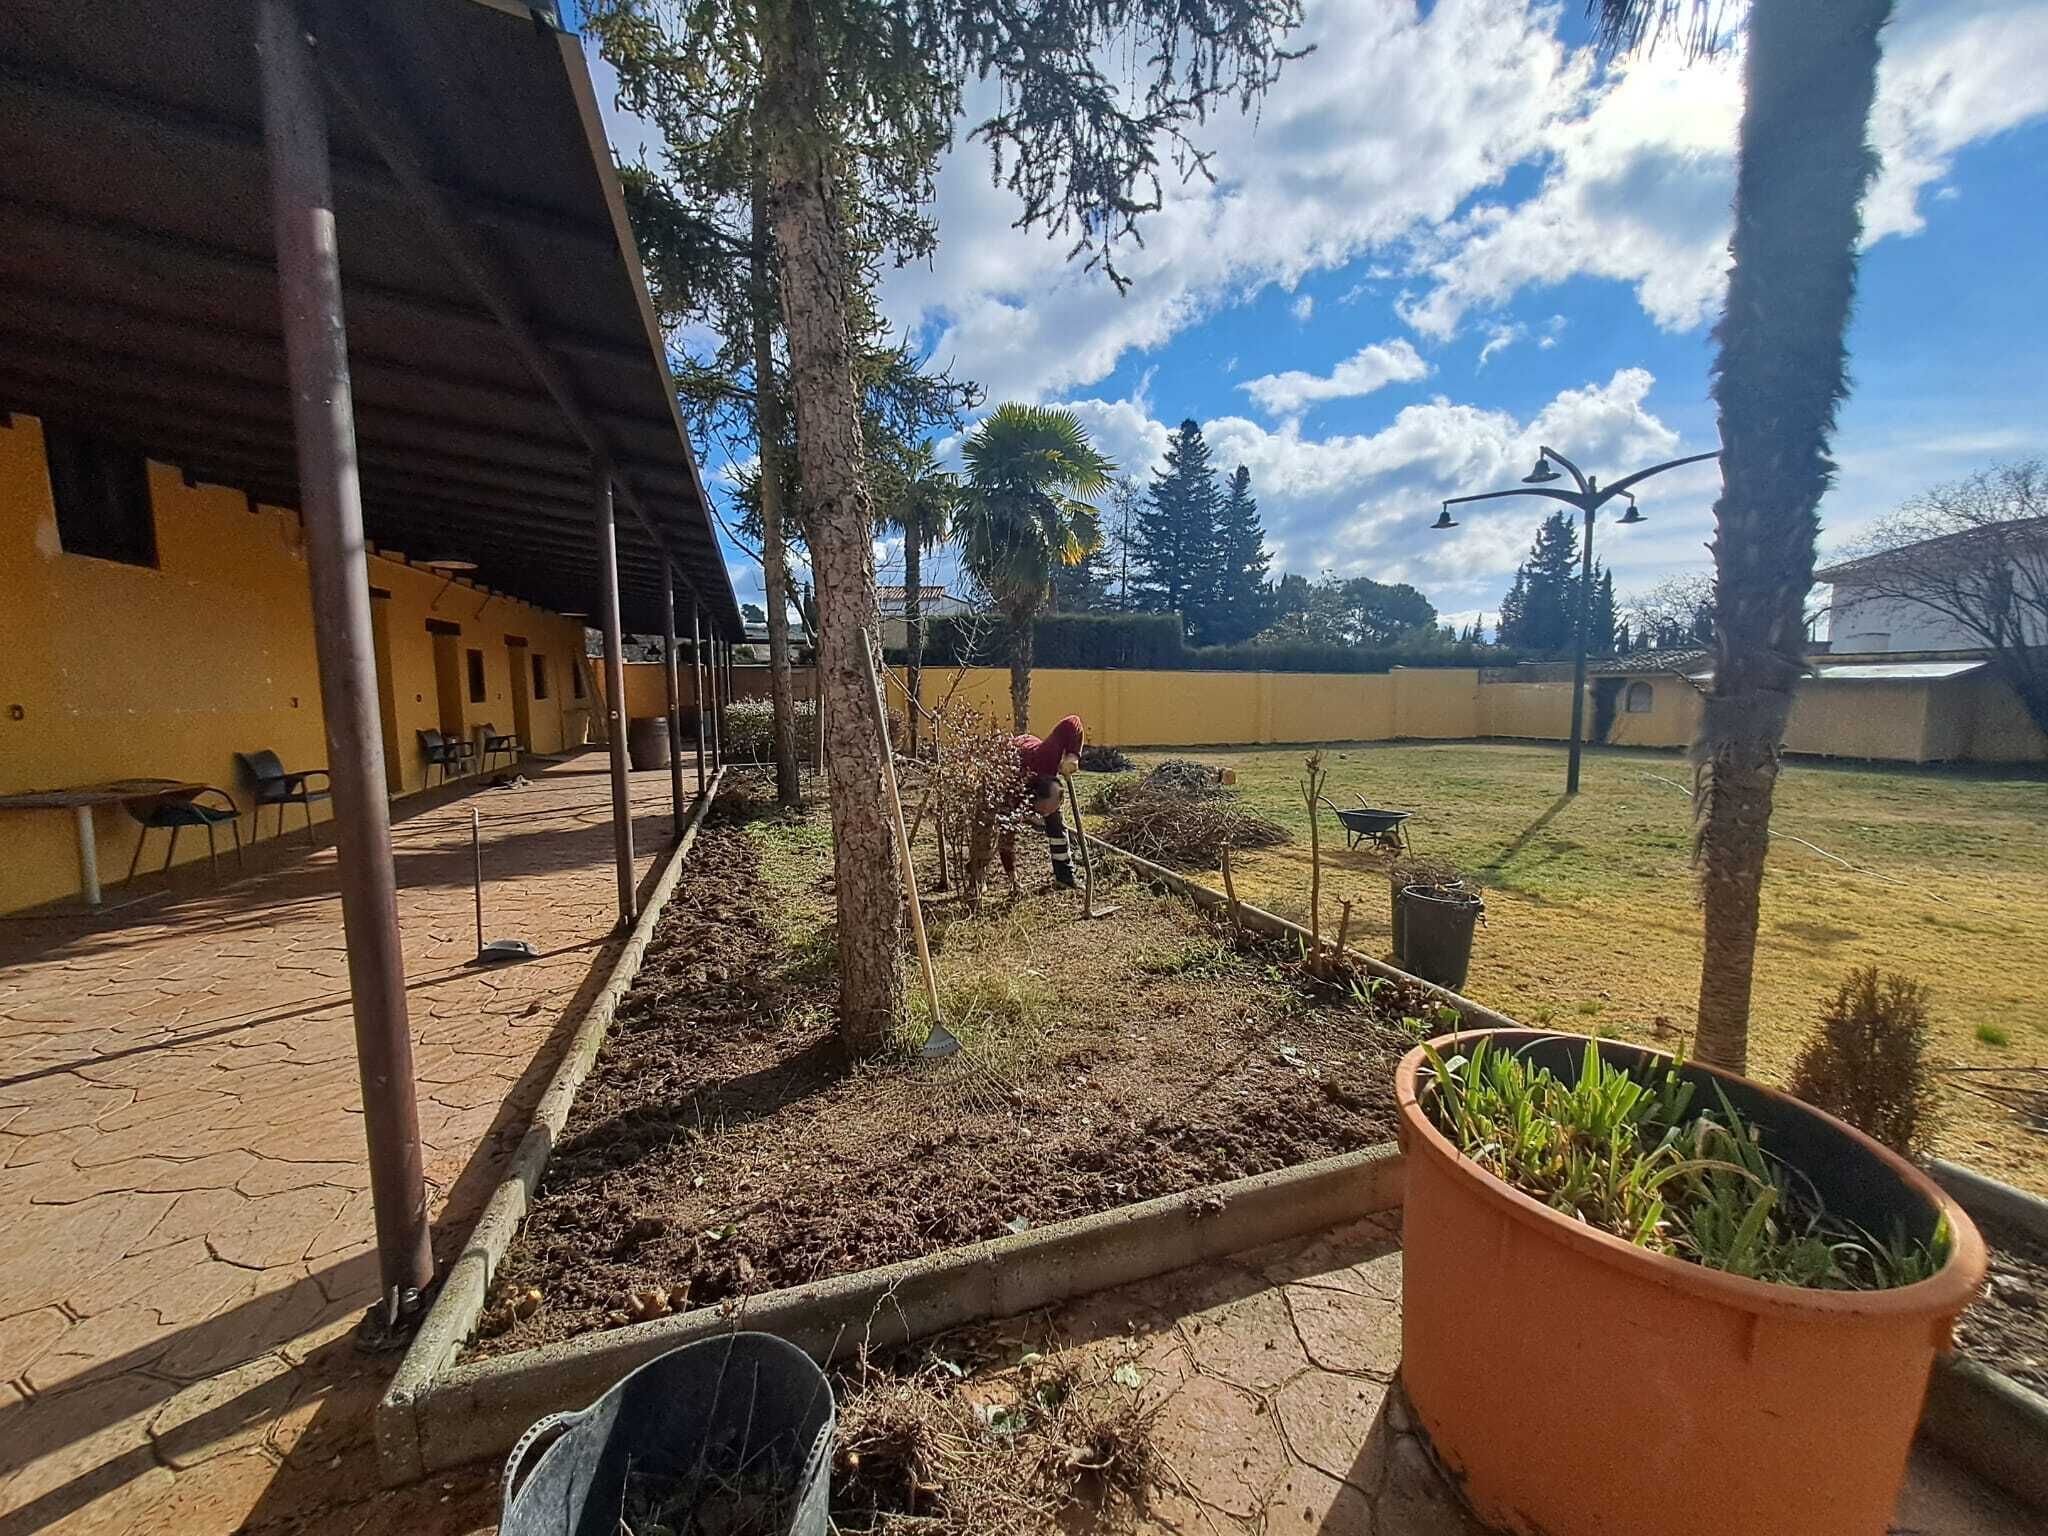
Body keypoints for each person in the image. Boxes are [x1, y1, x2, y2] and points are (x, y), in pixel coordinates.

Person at [1001, 714, 1084, 891]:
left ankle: (1065, 878)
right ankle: (977, 877)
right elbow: (1006, 838)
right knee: (1001, 828)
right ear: (1034, 799)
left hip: (1038, 762)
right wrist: (1013, 879)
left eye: (1050, 809)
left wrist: (1072, 756)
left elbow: (1072, 722)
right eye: (1043, 811)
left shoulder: (1049, 757)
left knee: (1056, 825)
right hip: (1011, 759)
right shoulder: (1014, 791)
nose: (1045, 815)